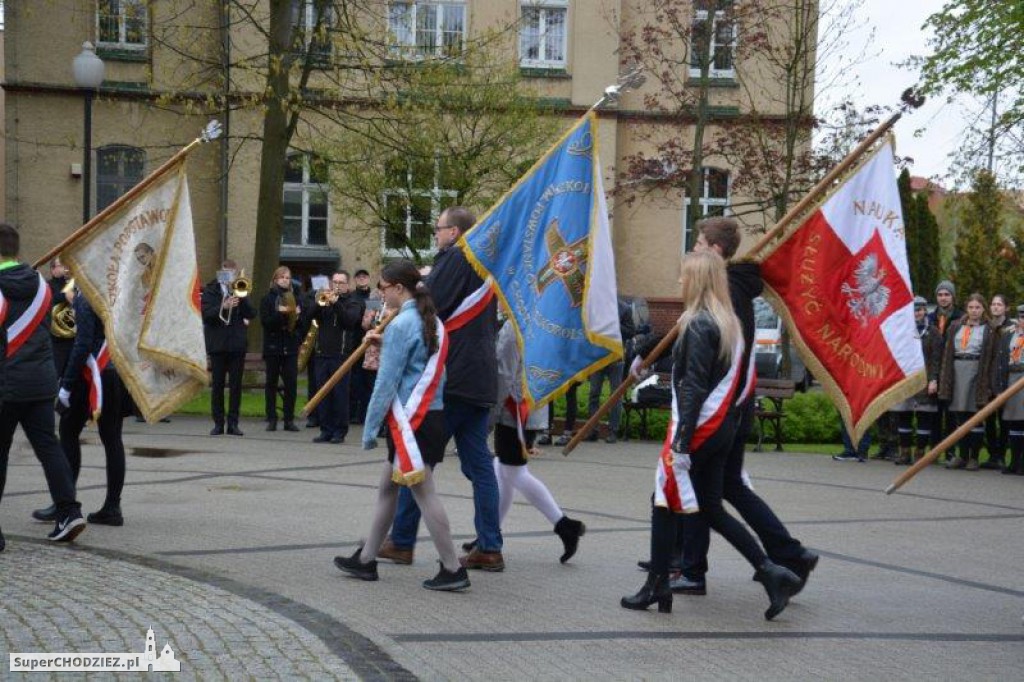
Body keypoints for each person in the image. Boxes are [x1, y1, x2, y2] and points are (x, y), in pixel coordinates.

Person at [633, 217, 817, 599]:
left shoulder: (726, 291)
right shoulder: (730, 291)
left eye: (699, 242)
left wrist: (684, 437)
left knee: (697, 493)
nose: (694, 249)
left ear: (714, 251)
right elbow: (685, 332)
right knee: (718, 493)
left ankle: (690, 568)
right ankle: (782, 555)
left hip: (718, 409)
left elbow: (699, 353)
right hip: (728, 407)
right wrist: (645, 352)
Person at [377, 206, 504, 571]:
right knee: (480, 464)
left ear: (455, 233)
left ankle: (401, 541)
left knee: (416, 459)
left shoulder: (455, 259)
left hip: (452, 378)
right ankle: (490, 546)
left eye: (438, 228)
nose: (435, 234)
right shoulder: (484, 266)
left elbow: (428, 307)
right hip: (481, 377)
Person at [333, 260, 470, 591]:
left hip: (413, 423)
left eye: (382, 287)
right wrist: (385, 344)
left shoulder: (400, 324)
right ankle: (366, 559)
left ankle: (453, 568)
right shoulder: (432, 321)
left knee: (424, 494)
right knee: (388, 489)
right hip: (429, 416)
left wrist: (368, 431)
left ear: (397, 288)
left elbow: (386, 382)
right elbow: (419, 362)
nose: (380, 293)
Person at [469, 317, 586, 562]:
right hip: (521, 407)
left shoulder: (515, 326)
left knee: (513, 473)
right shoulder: (533, 320)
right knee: (504, 470)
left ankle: (564, 525)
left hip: (514, 409)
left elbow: (504, 374)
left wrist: (490, 414)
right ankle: (490, 534)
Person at [0, 223, 86, 548]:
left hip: (6, 383)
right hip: (41, 380)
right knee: (49, 448)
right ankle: (69, 511)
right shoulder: (41, 285)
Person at [32, 290, 126, 526]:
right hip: (114, 373)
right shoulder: (117, 294)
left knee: (68, 434)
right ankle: (112, 506)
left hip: (90, 374)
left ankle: (64, 502)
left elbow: (82, 344)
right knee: (113, 438)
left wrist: (67, 384)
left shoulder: (87, 296)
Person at [938, 293, 998, 470]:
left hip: (976, 373)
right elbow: (948, 352)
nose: (974, 311)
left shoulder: (989, 329)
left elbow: (993, 358)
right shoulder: (956, 326)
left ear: (983, 309)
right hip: (957, 370)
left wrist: (989, 383)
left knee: (976, 417)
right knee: (960, 416)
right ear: (966, 309)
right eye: (971, 307)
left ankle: (974, 456)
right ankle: (962, 455)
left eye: (977, 307)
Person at [306, 271, 364, 444]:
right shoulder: (324, 301)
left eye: (341, 282)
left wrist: (337, 303)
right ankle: (325, 430)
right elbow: (307, 317)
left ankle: (339, 431)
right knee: (322, 394)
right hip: (322, 354)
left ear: (347, 285)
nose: (337, 285)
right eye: (335, 282)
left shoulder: (353, 302)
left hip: (341, 355)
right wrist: (319, 303)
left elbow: (349, 321)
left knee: (340, 395)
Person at [200, 259, 255, 436]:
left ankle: (233, 423)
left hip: (236, 345)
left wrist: (242, 296)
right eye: (225, 271)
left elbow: (251, 314)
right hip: (218, 345)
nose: (228, 275)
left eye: (231, 272)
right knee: (217, 386)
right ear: (220, 272)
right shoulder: (211, 290)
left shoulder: (239, 289)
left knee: (236, 386)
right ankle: (218, 423)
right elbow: (206, 314)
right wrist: (223, 306)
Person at [889, 296, 943, 465]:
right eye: (913, 310)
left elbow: (936, 359)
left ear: (925, 311)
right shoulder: (902, 331)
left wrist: (934, 379)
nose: (916, 314)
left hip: (925, 379)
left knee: (924, 418)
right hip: (905, 379)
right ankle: (904, 452)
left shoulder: (933, 332)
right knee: (903, 416)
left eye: (919, 310)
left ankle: (920, 453)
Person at [584, 298, 635, 444]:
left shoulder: (624, 308)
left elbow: (631, 331)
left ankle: (613, 430)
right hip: (598, 356)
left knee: (615, 395)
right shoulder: (596, 307)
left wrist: (615, 325)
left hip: (615, 358)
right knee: (594, 393)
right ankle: (592, 430)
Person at [260, 266, 302, 433]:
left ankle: (289, 419)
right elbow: (266, 322)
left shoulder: (295, 298)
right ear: (275, 280)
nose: (286, 280)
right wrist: (281, 313)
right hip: (273, 347)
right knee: (271, 384)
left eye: (288, 277)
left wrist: (297, 316)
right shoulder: (267, 299)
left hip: (290, 347)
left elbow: (301, 326)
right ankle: (271, 418)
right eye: (282, 277)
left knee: (291, 384)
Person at [983, 294, 1015, 469]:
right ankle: (992, 455)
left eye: (999, 304)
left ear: (1006, 308)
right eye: (993, 304)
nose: (995, 307)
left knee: (1004, 421)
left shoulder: (1012, 328)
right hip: (987, 378)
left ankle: (1002, 454)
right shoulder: (986, 327)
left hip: (1004, 379)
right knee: (988, 420)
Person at [993, 304, 1024, 475]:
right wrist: (1000, 386)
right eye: (1021, 317)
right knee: (1013, 423)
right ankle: (1014, 460)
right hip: (1012, 378)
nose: (1023, 320)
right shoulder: (1009, 335)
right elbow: (1001, 362)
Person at [349, 268, 374, 425]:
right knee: (355, 380)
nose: (362, 279)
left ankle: (365, 413)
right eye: (359, 277)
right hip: (356, 341)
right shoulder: (352, 297)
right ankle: (353, 413)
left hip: (372, 344)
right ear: (355, 280)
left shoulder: (374, 296)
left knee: (368, 380)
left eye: (364, 276)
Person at [47, 256, 75, 377]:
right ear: (53, 270)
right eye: (61, 265)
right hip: (57, 339)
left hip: (73, 336)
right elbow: (50, 301)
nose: (65, 268)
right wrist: (65, 296)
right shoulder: (48, 285)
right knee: (57, 372)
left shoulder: (71, 284)